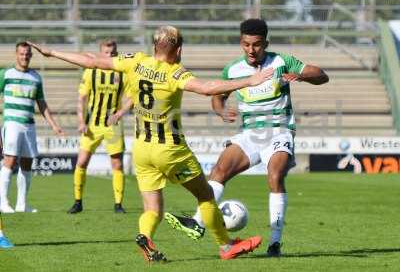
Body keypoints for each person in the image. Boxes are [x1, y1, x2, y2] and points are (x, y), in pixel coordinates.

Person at [27, 25, 274, 261]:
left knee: (153, 208)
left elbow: (92, 60)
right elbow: (208, 88)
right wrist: (248, 81)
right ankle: (226, 245)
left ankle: (145, 237)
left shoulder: (135, 61)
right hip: (170, 150)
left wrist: (52, 52)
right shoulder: (175, 73)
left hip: (142, 149)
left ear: (155, 46)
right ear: (178, 50)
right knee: (206, 195)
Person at [164, 19, 329, 257]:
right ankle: (197, 223)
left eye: (257, 45)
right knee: (219, 169)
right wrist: (220, 110)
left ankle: (275, 242)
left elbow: (321, 75)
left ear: (266, 43)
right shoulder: (233, 69)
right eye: (246, 44)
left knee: (275, 176)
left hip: (279, 131)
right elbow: (218, 97)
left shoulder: (281, 62)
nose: (251, 50)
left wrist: (301, 76)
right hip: (250, 134)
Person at [67, 40, 133, 214]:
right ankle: (77, 202)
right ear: (100, 53)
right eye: (106, 53)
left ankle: (118, 204)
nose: (110, 56)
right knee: (81, 162)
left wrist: (120, 113)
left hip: (113, 125)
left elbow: (133, 97)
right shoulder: (91, 72)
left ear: (116, 52)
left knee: (117, 164)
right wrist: (81, 121)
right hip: (93, 124)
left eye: (113, 53)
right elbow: (81, 98)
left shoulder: (122, 72)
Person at [0, 42, 64, 214]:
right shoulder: (5, 74)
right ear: (16, 54)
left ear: (31, 55)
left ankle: (22, 204)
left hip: (29, 124)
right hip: (12, 123)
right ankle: (3, 202)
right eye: (22, 53)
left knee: (27, 164)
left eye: (27, 54)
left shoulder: (36, 77)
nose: (25, 56)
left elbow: (41, 103)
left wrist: (54, 125)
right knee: (10, 160)